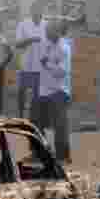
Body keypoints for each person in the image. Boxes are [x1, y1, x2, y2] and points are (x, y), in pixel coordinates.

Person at [34, 18, 72, 163]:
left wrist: (47, 64)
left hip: (59, 91)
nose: (46, 34)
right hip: (44, 90)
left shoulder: (64, 48)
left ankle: (63, 156)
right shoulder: (48, 44)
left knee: (59, 125)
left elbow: (62, 71)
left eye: (49, 31)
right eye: (46, 31)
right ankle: (40, 153)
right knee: (36, 121)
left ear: (56, 32)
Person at [15, 0, 46, 120]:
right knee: (22, 91)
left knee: (38, 94)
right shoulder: (23, 24)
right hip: (26, 64)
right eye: (36, 8)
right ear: (31, 10)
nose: (38, 11)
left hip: (41, 67)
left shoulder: (46, 25)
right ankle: (21, 115)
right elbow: (17, 44)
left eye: (40, 8)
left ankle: (35, 118)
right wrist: (30, 40)